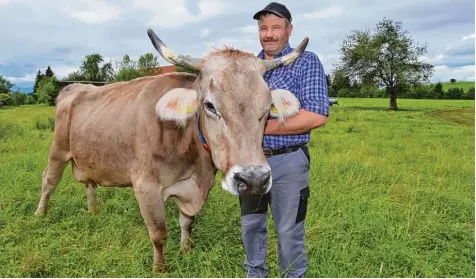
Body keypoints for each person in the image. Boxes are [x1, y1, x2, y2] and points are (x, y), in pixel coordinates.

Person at [239, 2, 330, 278]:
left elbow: (317, 115)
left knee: (289, 229)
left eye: (276, 27)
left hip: (289, 161)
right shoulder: (249, 68)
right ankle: (255, 273)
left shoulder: (306, 61)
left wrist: (260, 129)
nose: (269, 34)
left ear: (289, 30)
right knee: (251, 225)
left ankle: (293, 274)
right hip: (251, 161)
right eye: (263, 28)